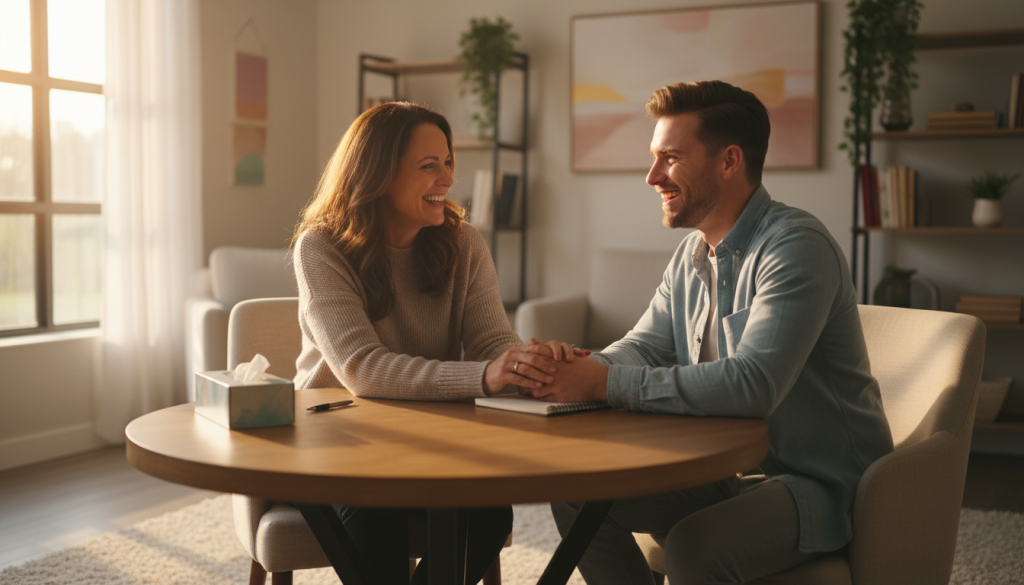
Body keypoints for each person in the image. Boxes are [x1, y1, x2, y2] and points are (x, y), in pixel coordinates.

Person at [526, 81, 894, 584]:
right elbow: (645, 346)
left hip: (818, 483)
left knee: (693, 548)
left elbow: (754, 384)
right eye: (655, 158)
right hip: (720, 469)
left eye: (671, 158)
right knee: (576, 492)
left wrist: (602, 383)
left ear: (729, 162)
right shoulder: (692, 254)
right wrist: (573, 370)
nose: (653, 176)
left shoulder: (796, 247)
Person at [292, 101, 579, 585]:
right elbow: (362, 368)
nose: (447, 178)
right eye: (429, 166)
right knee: (377, 519)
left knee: (489, 515)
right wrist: (486, 375)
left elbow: (491, 341)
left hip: (427, 440)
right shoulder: (320, 246)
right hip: (337, 444)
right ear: (377, 173)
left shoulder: (463, 242)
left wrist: (527, 363)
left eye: (448, 162)